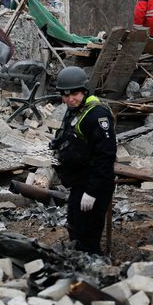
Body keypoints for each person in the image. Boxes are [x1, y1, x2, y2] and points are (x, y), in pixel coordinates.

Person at [50, 66, 117, 254]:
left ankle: (94, 266)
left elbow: (106, 157)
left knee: (88, 234)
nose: (70, 99)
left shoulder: (97, 116)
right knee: (75, 225)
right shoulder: (75, 110)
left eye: (74, 94)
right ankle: (78, 261)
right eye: (65, 95)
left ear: (84, 91)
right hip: (80, 182)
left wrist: (92, 191)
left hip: (93, 185)